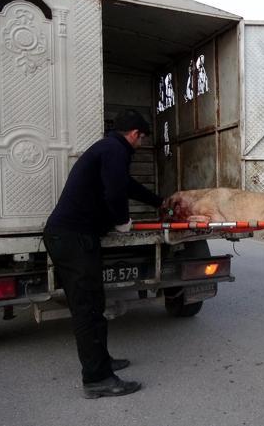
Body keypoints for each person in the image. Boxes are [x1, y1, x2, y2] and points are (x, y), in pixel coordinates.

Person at [43, 109, 163, 399]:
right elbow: (114, 192)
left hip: (73, 238)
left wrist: (159, 201)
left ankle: (102, 362)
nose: (140, 144)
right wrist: (122, 220)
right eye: (142, 139)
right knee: (87, 309)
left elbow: (125, 185)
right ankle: (97, 379)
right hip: (73, 238)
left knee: (94, 304)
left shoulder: (107, 148)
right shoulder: (115, 150)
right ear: (136, 134)